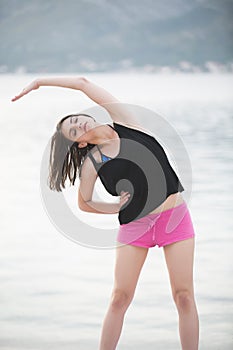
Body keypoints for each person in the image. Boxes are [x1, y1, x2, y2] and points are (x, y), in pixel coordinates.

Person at [12, 76, 199, 350]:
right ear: (80, 144)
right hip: (135, 227)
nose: (80, 125)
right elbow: (84, 202)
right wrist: (114, 207)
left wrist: (40, 82)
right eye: (74, 132)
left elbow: (82, 83)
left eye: (76, 120)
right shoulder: (94, 162)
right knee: (119, 298)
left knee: (183, 296)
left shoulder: (125, 120)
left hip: (174, 217)